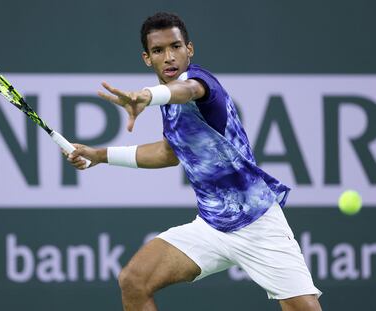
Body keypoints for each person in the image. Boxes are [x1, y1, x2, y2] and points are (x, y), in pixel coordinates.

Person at [67, 11, 322, 311]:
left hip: (257, 223)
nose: (169, 57)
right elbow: (168, 153)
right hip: (211, 226)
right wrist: (100, 155)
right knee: (134, 280)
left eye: (176, 47)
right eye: (159, 51)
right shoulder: (170, 107)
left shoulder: (200, 83)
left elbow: (186, 90)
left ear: (190, 49)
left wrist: (148, 96)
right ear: (147, 59)